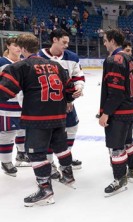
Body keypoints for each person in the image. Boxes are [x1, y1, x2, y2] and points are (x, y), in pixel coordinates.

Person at [0, 33, 75, 207]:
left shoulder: (20, 66)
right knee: (60, 147)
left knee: (36, 153)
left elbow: (5, 93)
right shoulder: (55, 65)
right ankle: (68, 176)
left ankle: (45, 190)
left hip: (37, 117)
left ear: (23, 48)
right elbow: (70, 91)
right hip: (58, 115)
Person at [99, 29, 133, 196]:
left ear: (113, 41)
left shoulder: (114, 60)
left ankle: (120, 180)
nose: (104, 43)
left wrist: (106, 113)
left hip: (119, 111)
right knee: (128, 142)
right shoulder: (128, 57)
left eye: (105, 40)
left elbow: (115, 92)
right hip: (130, 109)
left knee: (116, 147)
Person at [38, 29, 85, 177]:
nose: (66, 45)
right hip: (47, 105)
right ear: (54, 40)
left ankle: (65, 158)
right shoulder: (38, 57)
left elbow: (78, 77)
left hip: (68, 103)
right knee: (49, 133)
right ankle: (50, 162)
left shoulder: (72, 57)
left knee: (72, 127)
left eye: (67, 42)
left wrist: (78, 88)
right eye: (64, 42)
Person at [0, 38, 30, 177]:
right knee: (7, 133)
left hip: (24, 105)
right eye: (15, 45)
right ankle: (6, 162)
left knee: (23, 130)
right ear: (8, 46)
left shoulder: (25, 62)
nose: (18, 48)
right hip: (6, 105)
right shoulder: (2, 62)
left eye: (20, 45)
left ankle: (21, 155)